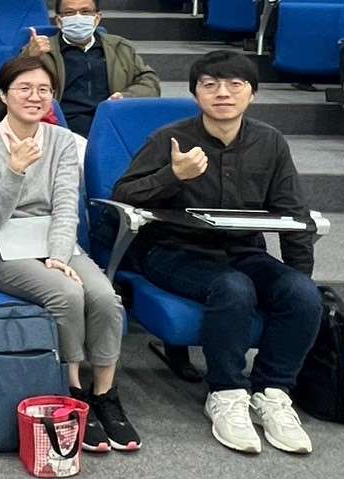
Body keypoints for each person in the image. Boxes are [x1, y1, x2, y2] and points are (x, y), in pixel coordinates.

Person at [112, 50, 321, 456]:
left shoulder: (270, 142)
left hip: (242, 250)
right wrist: (173, 175)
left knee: (301, 293)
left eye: (234, 85)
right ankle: (226, 392)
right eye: (210, 85)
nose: (222, 93)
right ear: (196, 94)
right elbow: (124, 195)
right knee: (234, 288)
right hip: (174, 251)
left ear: (252, 94)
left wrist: (297, 275)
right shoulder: (170, 139)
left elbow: (292, 213)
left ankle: (272, 392)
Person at [0, 55, 139, 453]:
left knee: (104, 297)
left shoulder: (61, 140)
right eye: (24, 88)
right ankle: (72, 391)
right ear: (3, 95)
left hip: (53, 241)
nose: (35, 96)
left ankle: (105, 393)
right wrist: (15, 171)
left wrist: (59, 256)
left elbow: (65, 206)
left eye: (44, 89)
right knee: (67, 294)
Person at [21, 0, 161, 137]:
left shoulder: (120, 47)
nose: (78, 17)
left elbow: (150, 82)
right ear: (59, 21)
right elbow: (13, 85)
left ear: (97, 18)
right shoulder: (41, 50)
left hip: (111, 124)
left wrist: (125, 96)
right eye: (69, 13)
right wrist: (30, 57)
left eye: (85, 12)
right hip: (61, 128)